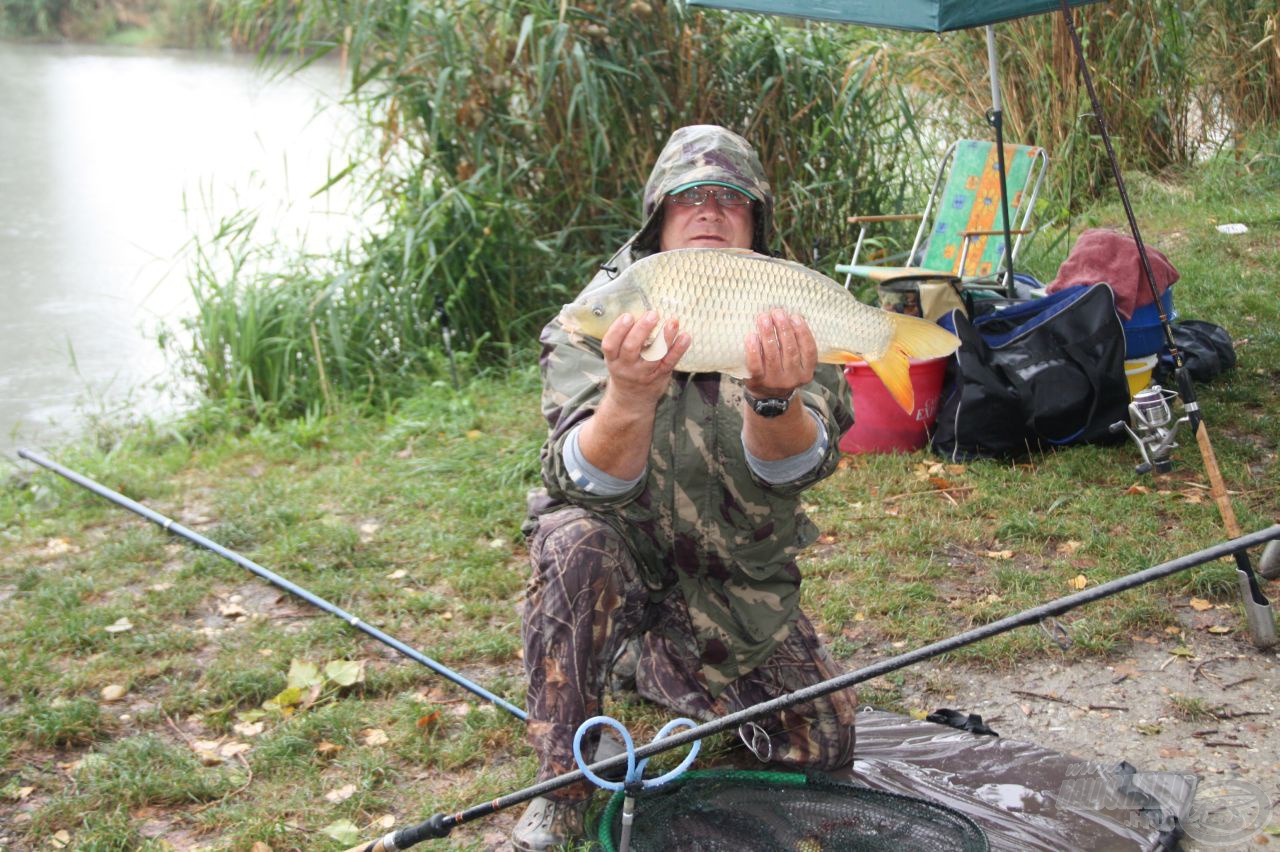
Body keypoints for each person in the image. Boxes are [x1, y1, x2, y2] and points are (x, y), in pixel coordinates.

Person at [514, 124, 858, 851]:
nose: (710, 209)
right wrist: (629, 398)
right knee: (570, 535)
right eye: (689, 198)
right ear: (658, 221)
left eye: (730, 198)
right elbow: (581, 475)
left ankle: (661, 660)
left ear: (755, 220)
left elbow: (799, 468)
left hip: (734, 567)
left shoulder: (785, 303)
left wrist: (774, 401)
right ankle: (561, 787)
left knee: (823, 746)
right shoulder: (597, 314)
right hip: (620, 554)